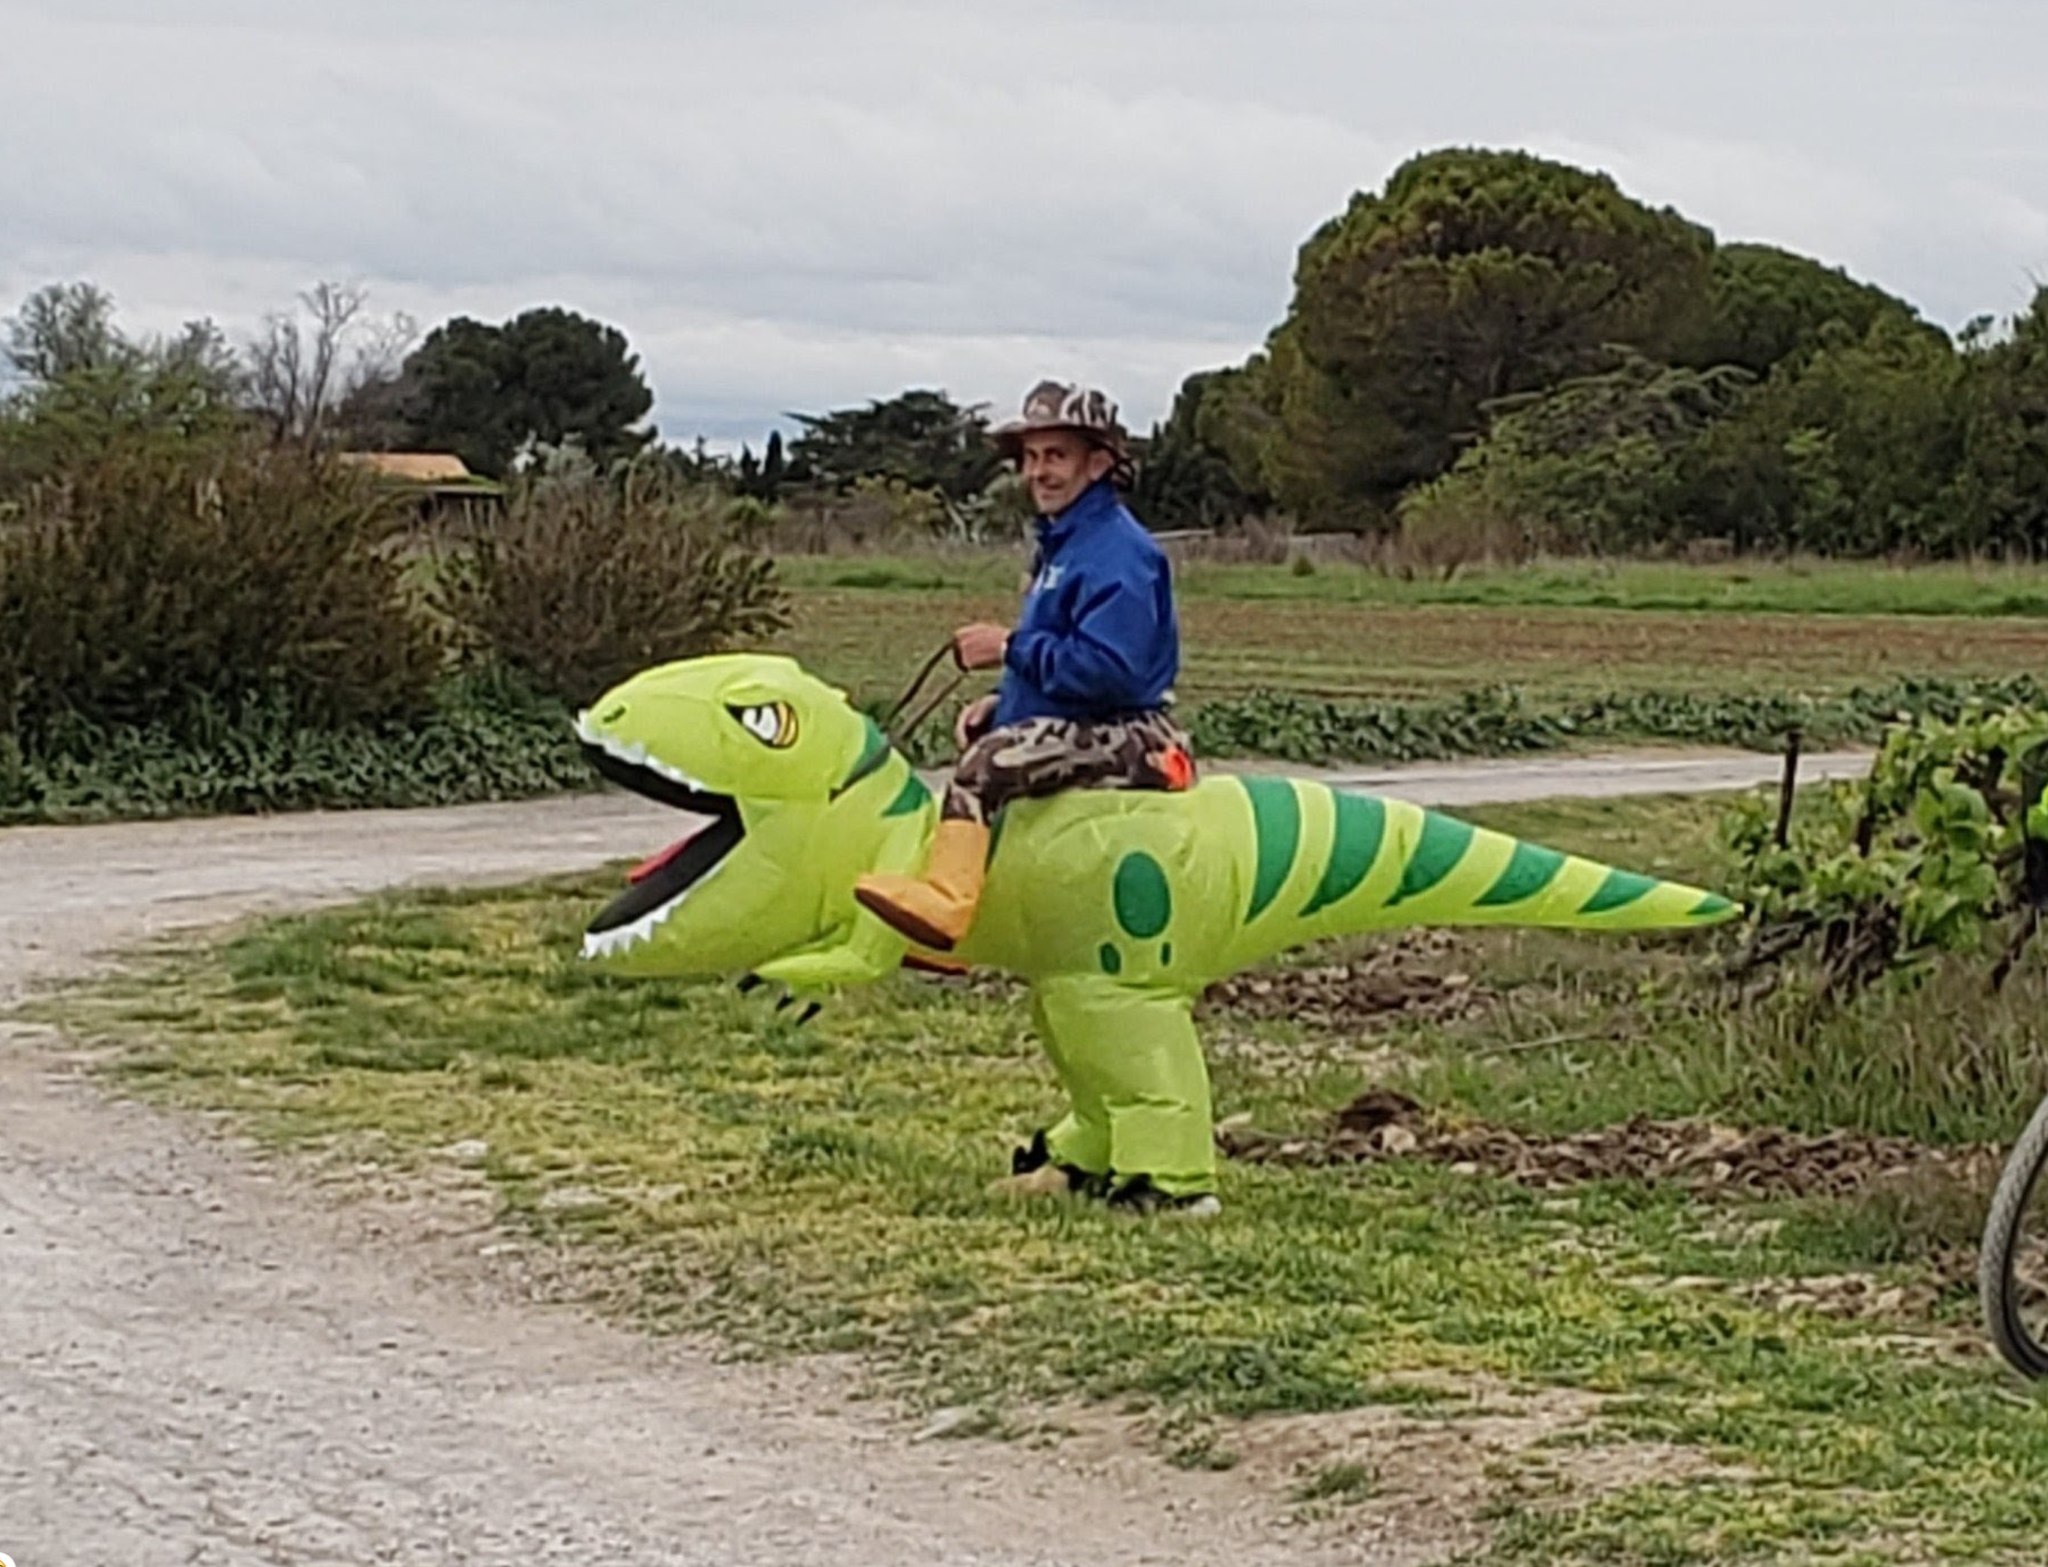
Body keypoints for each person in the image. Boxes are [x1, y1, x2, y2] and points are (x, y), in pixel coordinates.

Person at [854, 380, 1195, 952]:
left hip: (1139, 736)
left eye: (1056, 455)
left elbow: (1113, 672)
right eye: (1031, 457)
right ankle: (987, 929)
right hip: (1100, 723)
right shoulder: (1067, 544)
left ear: (1099, 463)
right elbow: (1065, 658)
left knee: (990, 764)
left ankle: (950, 912)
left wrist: (1008, 649)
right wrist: (1004, 703)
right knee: (991, 738)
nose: (1038, 471)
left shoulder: (1119, 553)